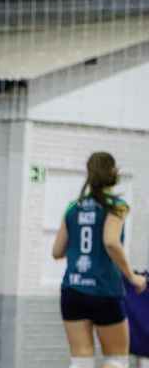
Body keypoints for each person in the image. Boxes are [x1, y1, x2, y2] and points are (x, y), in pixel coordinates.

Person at [52, 151, 147, 368]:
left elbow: (57, 251)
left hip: (72, 289)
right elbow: (111, 242)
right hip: (104, 289)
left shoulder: (73, 207)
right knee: (116, 359)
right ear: (113, 173)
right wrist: (132, 277)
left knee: (80, 360)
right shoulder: (116, 205)